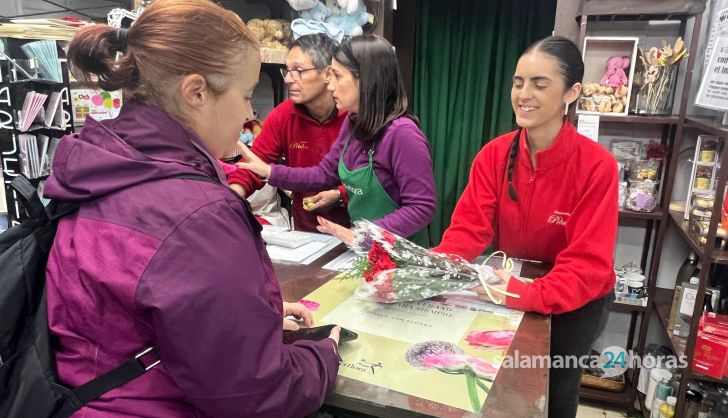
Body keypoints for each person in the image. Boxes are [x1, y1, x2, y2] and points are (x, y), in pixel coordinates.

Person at [43, 1, 340, 417]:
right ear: (196, 92)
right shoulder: (196, 214)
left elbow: (137, 312)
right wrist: (323, 354)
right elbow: (255, 394)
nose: (250, 112)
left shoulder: (96, 168)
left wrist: (257, 314)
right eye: (243, 94)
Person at [432, 36, 618, 418]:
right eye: (518, 82)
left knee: (553, 392)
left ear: (572, 92)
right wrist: (430, 266)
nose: (523, 94)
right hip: (511, 284)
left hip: (575, 300)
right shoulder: (494, 155)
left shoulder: (597, 166)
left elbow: (587, 266)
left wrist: (521, 293)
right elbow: (468, 231)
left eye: (540, 83)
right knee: (497, 385)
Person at [238, 35, 436, 247]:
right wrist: (268, 172)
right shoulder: (353, 125)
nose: (330, 86)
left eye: (337, 76)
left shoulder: (403, 134)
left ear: (365, 80)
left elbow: (421, 207)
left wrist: (364, 235)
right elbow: (323, 174)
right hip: (365, 251)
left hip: (402, 254)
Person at [227, 33, 351, 232]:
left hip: (358, 234)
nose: (289, 79)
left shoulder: (353, 116)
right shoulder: (283, 115)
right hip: (307, 236)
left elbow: (376, 180)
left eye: (299, 71)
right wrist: (230, 198)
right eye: (288, 70)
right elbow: (255, 165)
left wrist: (340, 194)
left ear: (328, 73)